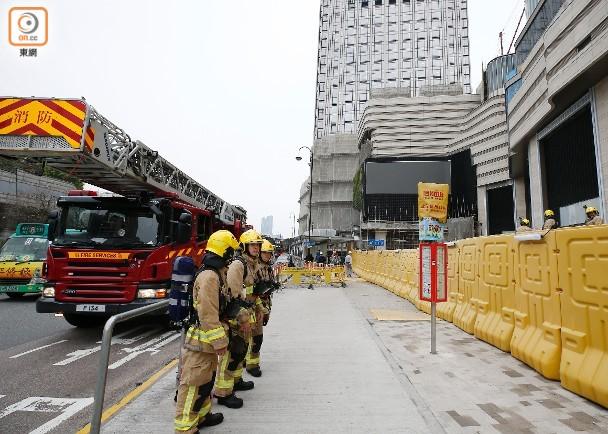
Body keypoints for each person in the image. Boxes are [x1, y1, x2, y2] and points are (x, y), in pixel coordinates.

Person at [174, 230, 239, 433]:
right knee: (194, 384)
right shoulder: (210, 276)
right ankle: (185, 427)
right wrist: (220, 342)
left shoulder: (215, 272)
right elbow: (208, 313)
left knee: (205, 381)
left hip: (206, 343)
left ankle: (202, 416)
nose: (233, 256)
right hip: (201, 342)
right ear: (224, 250)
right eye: (231, 251)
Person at [214, 229, 262, 409]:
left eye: (258, 245)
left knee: (241, 351)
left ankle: (236, 380)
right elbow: (234, 295)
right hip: (236, 316)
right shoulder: (238, 265)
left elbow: (249, 291)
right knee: (232, 354)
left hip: (246, 313)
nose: (256, 249)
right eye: (253, 245)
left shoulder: (251, 264)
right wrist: (242, 319)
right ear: (244, 247)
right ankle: (223, 392)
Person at [246, 239, 275, 377]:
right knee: (255, 337)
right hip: (255, 305)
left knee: (255, 337)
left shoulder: (268, 267)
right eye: (265, 253)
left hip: (263, 304)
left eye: (269, 253)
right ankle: (252, 365)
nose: (267, 256)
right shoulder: (254, 267)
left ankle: (250, 361)